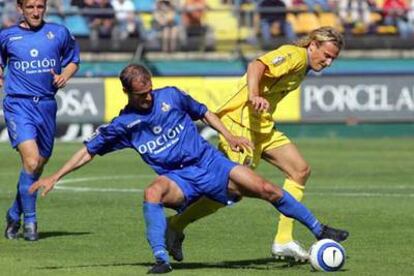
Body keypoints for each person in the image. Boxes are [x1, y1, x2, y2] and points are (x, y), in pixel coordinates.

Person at [29, 64, 348, 274]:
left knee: (267, 189)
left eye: (150, 88)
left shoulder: (171, 96)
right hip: (179, 178)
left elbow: (205, 112)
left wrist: (229, 135)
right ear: (128, 93)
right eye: (141, 94)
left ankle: (320, 230)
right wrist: (56, 175)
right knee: (152, 191)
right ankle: (160, 258)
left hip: (210, 163)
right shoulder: (123, 125)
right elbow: (88, 151)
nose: (149, 95)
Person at [166, 26, 344, 262]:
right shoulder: (295, 56)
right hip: (240, 123)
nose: (329, 62)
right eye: (327, 55)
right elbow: (256, 65)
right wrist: (253, 94)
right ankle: (175, 224)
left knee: (299, 170)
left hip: (261, 125)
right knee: (230, 189)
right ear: (313, 45)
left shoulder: (304, 66)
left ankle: (283, 240)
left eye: (333, 58)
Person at [0, 0, 80, 241]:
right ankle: (31, 223)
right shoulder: (7, 36)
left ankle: (14, 213)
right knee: (32, 161)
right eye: (30, 7)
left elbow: (73, 59)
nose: (36, 12)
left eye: (40, 7)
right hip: (18, 104)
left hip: (46, 105)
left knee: (36, 167)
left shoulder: (59, 33)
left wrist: (65, 75)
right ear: (20, 8)